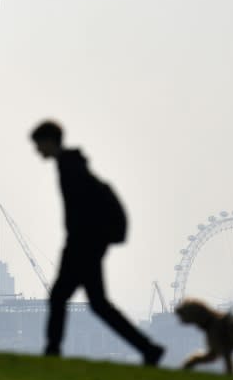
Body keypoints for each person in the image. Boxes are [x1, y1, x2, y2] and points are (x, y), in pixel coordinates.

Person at [31, 120, 164, 366]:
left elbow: (81, 212)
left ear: (49, 141)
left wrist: (75, 245)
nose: (37, 151)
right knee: (98, 304)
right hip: (89, 244)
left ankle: (52, 351)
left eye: (38, 145)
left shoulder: (69, 168)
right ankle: (148, 349)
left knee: (61, 297)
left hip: (82, 245)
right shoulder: (70, 165)